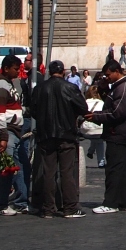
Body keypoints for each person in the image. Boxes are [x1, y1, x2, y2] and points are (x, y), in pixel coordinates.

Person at [32, 59, 87, 218]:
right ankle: (69, 207)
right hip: (66, 135)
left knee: (48, 173)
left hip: (46, 135)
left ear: (49, 72)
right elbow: (83, 108)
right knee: (67, 172)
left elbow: (33, 110)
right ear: (63, 72)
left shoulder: (40, 88)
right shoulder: (70, 87)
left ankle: (48, 208)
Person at [85, 60, 126, 214]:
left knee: (114, 169)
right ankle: (124, 201)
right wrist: (103, 89)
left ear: (117, 71)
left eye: (108, 75)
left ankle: (111, 203)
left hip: (119, 133)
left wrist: (95, 116)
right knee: (122, 169)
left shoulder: (123, 88)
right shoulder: (120, 87)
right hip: (122, 133)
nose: (107, 77)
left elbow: (117, 113)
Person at [0, 55, 30, 215]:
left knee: (21, 166)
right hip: (7, 132)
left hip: (15, 131)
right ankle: (1, 204)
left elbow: (13, 108)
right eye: (15, 68)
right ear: (6, 68)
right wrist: (4, 137)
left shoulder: (9, 84)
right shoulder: (1, 85)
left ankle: (21, 202)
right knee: (5, 169)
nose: (18, 71)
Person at [82, 84, 105, 167]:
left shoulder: (84, 103)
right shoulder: (102, 103)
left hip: (85, 128)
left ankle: (91, 151)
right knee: (99, 140)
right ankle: (101, 161)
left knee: (95, 137)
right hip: (99, 128)